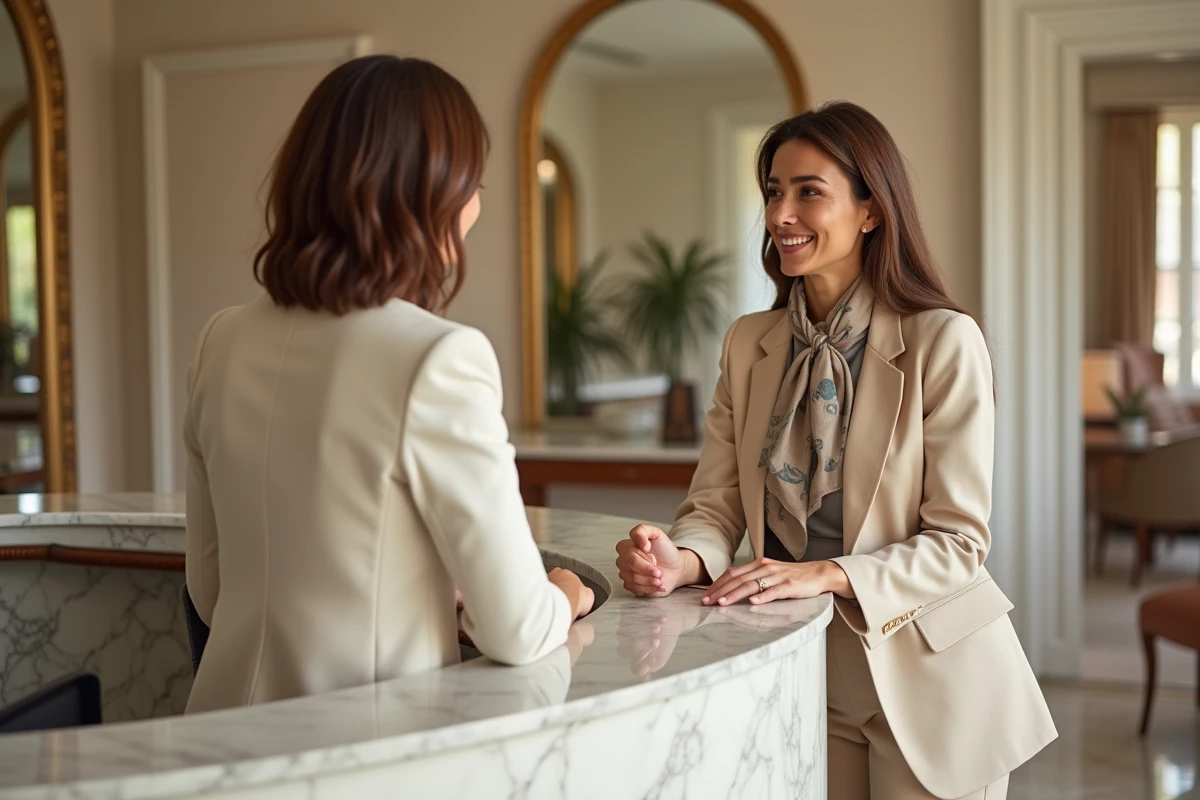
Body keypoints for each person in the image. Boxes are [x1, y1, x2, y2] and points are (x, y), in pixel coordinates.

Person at [614, 102, 1056, 800]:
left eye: (808, 192)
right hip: (798, 666)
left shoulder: (944, 341)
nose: (781, 213)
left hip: (927, 676)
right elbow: (717, 501)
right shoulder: (747, 343)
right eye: (772, 191)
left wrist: (826, 572)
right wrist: (686, 558)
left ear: (871, 211)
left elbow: (958, 542)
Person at [183, 55, 592, 714]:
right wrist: (569, 591)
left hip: (217, 740)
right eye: (473, 182)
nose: (476, 206)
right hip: (365, 754)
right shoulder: (438, 357)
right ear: (433, 194)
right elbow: (516, 627)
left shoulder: (219, 340)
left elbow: (211, 589)